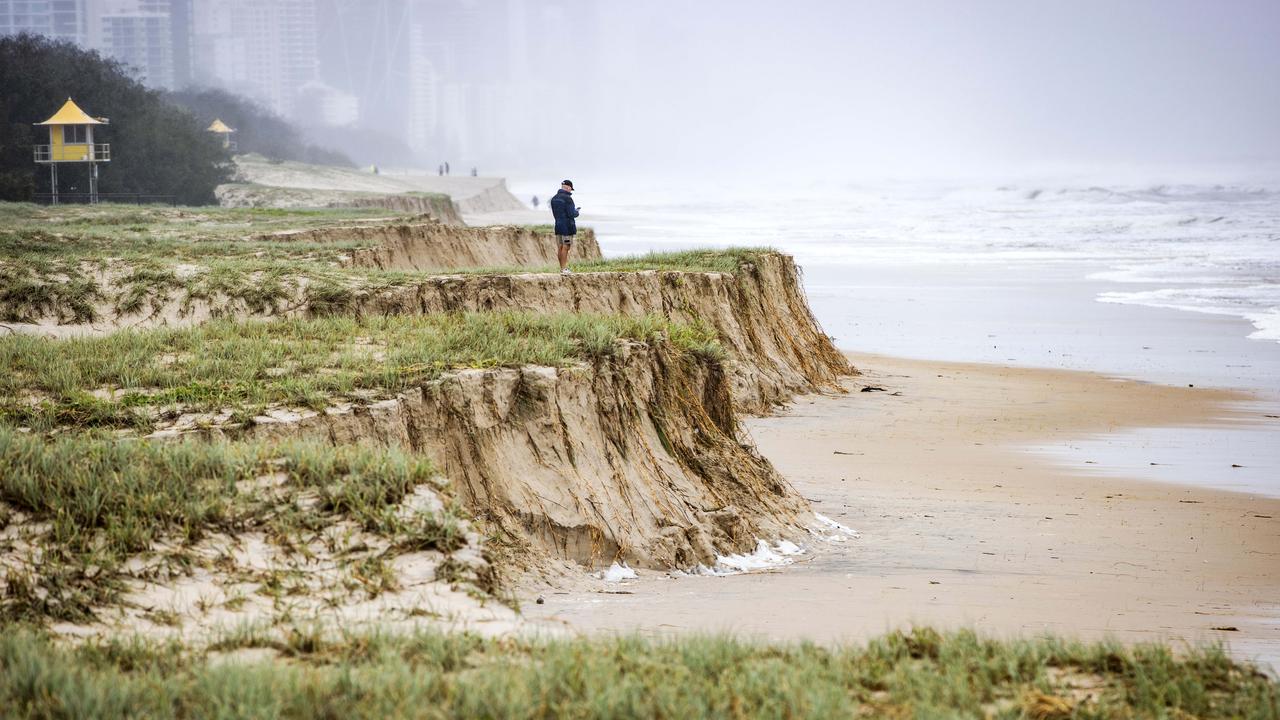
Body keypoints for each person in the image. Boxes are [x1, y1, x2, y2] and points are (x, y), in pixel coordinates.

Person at [548, 179, 579, 275]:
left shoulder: (554, 198)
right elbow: (571, 214)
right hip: (567, 227)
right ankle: (564, 269)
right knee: (566, 247)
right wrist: (577, 212)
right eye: (571, 189)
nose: (570, 191)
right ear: (568, 187)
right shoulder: (568, 199)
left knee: (560, 247)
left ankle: (562, 268)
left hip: (558, 225)